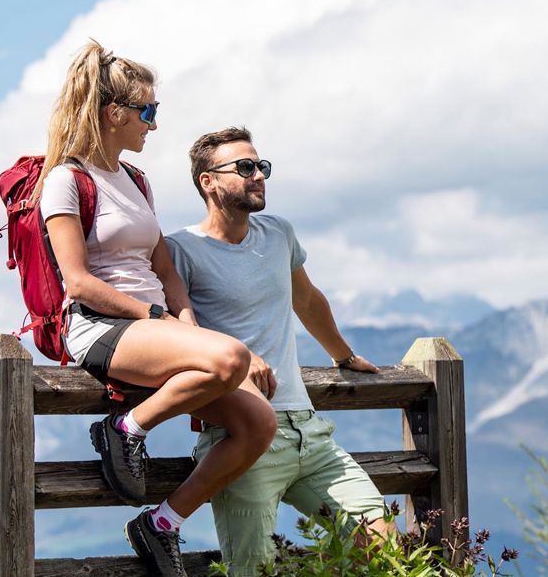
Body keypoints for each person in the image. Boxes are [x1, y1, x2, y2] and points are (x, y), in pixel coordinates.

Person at [38, 43, 277, 577]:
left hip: (154, 327)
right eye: (147, 111)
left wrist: (185, 322)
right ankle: (125, 430)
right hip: (103, 328)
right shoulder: (64, 181)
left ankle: (161, 523)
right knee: (230, 359)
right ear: (113, 113)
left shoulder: (136, 180)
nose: (154, 124)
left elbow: (164, 268)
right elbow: (77, 282)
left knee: (258, 423)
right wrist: (158, 322)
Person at [165, 126, 391, 576]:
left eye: (261, 167)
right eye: (245, 168)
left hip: (310, 433)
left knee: (385, 546)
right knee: (254, 571)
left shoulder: (279, 233)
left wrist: (343, 356)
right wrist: (239, 357)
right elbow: (173, 334)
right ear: (208, 181)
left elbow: (306, 299)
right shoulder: (179, 249)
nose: (258, 176)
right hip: (242, 438)